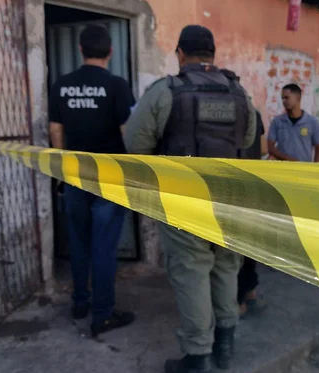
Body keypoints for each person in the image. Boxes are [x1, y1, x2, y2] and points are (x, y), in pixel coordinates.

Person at [124, 25, 255, 373]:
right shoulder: (238, 91)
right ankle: (225, 345)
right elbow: (250, 135)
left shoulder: (165, 91)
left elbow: (135, 144)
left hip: (184, 198)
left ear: (180, 54)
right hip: (231, 196)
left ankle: (198, 357)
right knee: (227, 267)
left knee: (192, 271)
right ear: (213, 54)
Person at [48, 24, 136, 337]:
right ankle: (103, 314)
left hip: (73, 175)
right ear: (110, 51)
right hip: (109, 179)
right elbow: (129, 132)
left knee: (80, 243)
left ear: (81, 50)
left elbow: (55, 129)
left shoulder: (62, 85)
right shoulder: (117, 85)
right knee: (104, 248)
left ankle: (80, 303)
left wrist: (61, 168)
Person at [237, 110, 267, 318]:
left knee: (231, 251)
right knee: (249, 246)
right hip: (253, 183)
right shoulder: (253, 113)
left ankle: (238, 302)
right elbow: (264, 148)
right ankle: (250, 294)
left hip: (230, 184)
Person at [268, 84, 319, 162]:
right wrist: (289, 159)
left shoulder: (313, 122)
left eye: (287, 98)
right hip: (283, 169)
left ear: (298, 97)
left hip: (303, 170)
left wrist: (316, 169)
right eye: (282, 98)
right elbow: (270, 148)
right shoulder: (277, 121)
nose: (284, 101)